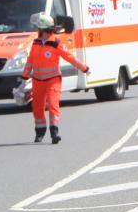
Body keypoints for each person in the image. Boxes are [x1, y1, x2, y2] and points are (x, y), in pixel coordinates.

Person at [20, 13, 89, 143]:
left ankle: (54, 131)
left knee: (53, 104)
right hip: (37, 81)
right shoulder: (36, 42)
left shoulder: (56, 43)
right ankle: (40, 132)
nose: (36, 30)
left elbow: (69, 57)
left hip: (53, 80)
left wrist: (84, 68)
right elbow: (30, 60)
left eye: (38, 27)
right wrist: (24, 76)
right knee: (37, 108)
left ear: (43, 28)